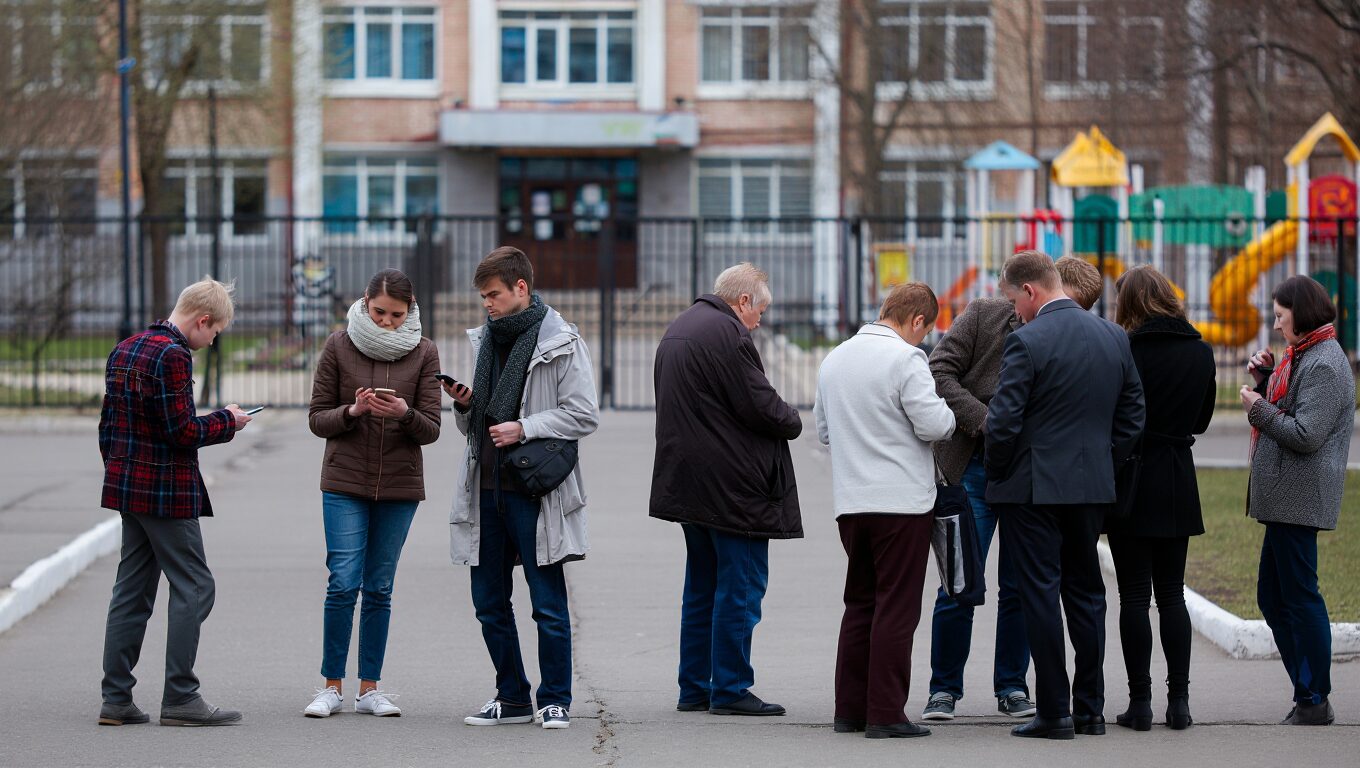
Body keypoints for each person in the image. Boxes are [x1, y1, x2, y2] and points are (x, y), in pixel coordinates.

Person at [922, 253, 1102, 722]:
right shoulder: (984, 315)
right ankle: (944, 689)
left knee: (1023, 587)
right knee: (958, 583)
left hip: (1031, 477)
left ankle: (1012, 686)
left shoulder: (1072, 332)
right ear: (1036, 290)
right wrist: (986, 422)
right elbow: (939, 371)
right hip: (974, 472)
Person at [985, 250, 1145, 740]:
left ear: (1031, 291)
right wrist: (1102, 461)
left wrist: (999, 472)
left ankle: (1053, 712)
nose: (1014, 312)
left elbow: (1004, 421)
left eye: (1014, 301)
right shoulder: (1114, 337)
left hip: (1032, 489)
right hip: (1091, 486)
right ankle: (1090, 710)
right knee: (1087, 596)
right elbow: (1133, 416)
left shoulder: (1027, 341)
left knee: (1039, 596)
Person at [448, 246, 599, 730]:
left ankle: (555, 699)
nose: (486, 305)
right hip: (485, 486)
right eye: (482, 297)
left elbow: (583, 414)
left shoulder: (562, 342)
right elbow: (476, 429)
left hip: (536, 490)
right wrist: (467, 408)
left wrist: (524, 426)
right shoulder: (485, 340)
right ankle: (511, 697)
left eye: (493, 295)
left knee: (547, 602)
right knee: (488, 602)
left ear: (521, 289)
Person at [97, 278, 252, 727]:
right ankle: (181, 697)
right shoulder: (173, 354)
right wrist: (229, 421)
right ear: (202, 321)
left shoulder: (125, 348)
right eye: (215, 332)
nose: (212, 340)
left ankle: (116, 699)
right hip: (165, 489)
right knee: (195, 586)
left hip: (128, 485)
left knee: (132, 591)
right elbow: (181, 431)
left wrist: (119, 472)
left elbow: (108, 425)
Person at [650, 263, 803, 717]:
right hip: (733, 486)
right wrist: (793, 419)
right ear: (742, 302)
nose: (760, 320)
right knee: (741, 586)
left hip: (688, 482)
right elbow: (761, 404)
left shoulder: (680, 327)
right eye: (760, 310)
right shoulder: (728, 334)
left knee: (701, 586)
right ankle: (732, 687)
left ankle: (694, 686)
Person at [815, 282, 956, 739]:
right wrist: (952, 417)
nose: (923, 340)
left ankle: (850, 710)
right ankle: (886, 713)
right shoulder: (906, 359)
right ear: (917, 321)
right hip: (901, 504)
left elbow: (824, 431)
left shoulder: (835, 358)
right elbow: (934, 422)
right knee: (897, 608)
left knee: (859, 604)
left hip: (852, 501)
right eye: (925, 330)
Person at [304, 269, 442, 718]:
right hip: (345, 482)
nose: (387, 322)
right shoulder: (338, 345)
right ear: (365, 302)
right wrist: (353, 410)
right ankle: (330, 686)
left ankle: (369, 689)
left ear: (411, 311)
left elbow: (432, 429)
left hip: (400, 486)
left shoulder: (425, 353)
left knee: (379, 587)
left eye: (396, 316)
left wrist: (404, 413)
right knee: (343, 582)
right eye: (379, 312)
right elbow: (317, 418)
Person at [1240, 275, 1354, 727]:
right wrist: (1266, 382)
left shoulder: (1324, 363)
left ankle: (1313, 697)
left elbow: (1306, 435)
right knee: (1272, 595)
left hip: (1300, 496)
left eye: (1281, 315)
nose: (1276, 322)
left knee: (1298, 595)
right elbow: (1294, 412)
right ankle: (1308, 692)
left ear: (1301, 314)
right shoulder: (1306, 355)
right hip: (1287, 496)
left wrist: (1256, 407)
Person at [1106, 266, 1215, 731]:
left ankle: (1141, 703)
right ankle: (1181, 702)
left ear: (1129, 304)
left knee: (1133, 596)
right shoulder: (1200, 351)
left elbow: (1112, 414)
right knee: (1172, 594)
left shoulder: (1125, 349)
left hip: (1132, 477)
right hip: (1177, 476)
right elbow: (1203, 420)